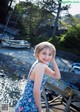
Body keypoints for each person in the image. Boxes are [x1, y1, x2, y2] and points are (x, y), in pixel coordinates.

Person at [15, 41, 61, 112]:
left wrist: (53, 60)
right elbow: (36, 91)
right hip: (29, 105)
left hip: (26, 102)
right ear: (37, 53)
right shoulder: (40, 66)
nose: (47, 57)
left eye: (50, 54)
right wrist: (40, 109)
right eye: (44, 53)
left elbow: (57, 76)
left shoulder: (40, 64)